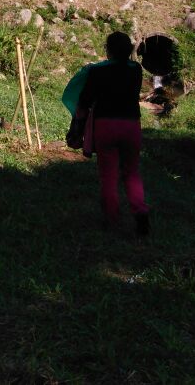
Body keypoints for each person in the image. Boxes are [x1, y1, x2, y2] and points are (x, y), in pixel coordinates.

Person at [64, 31, 150, 235]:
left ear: (108, 50)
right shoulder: (136, 70)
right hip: (131, 125)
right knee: (131, 172)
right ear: (129, 50)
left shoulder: (97, 71)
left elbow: (84, 100)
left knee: (108, 174)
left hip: (105, 125)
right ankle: (140, 211)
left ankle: (112, 219)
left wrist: (77, 127)